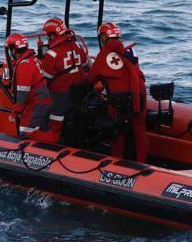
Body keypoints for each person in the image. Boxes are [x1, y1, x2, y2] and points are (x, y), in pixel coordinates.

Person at [87, 22, 148, 162]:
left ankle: (116, 163)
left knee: (117, 131)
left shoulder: (104, 55)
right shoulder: (130, 50)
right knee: (139, 130)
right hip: (139, 93)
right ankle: (142, 163)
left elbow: (91, 78)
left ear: (103, 37)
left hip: (119, 98)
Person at [40, 18, 89, 139]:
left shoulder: (52, 54)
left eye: (48, 36)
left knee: (54, 122)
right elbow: (84, 62)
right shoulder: (76, 45)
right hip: (78, 91)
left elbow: (45, 78)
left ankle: (52, 143)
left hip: (61, 94)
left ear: (52, 35)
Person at [4, 33, 54, 142]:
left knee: (26, 132)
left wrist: (15, 113)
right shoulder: (32, 59)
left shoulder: (24, 65)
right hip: (43, 99)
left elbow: (22, 94)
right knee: (39, 129)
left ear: (13, 50)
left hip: (36, 103)